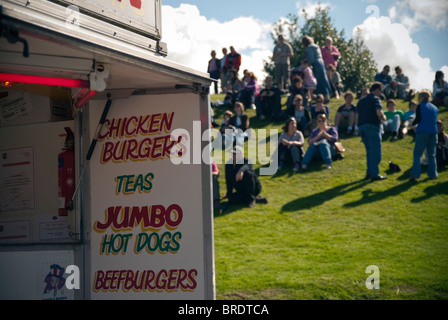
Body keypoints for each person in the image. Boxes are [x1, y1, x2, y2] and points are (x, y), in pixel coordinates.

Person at [357, 81, 387, 181]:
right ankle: (375, 174)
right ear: (377, 90)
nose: (381, 93)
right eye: (381, 90)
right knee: (376, 153)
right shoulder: (376, 99)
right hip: (373, 126)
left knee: (369, 152)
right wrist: (384, 117)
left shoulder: (361, 101)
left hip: (362, 127)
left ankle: (369, 173)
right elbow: (379, 112)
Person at [410, 90, 439, 181]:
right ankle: (433, 174)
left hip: (422, 132)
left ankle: (415, 174)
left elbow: (418, 119)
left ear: (422, 97)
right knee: (432, 155)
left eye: (419, 97)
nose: (418, 99)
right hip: (433, 132)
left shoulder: (420, 106)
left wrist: (411, 125)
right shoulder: (435, 108)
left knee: (417, 154)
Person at [301, 36, 332, 102]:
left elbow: (311, 58)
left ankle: (322, 96)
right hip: (321, 62)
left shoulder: (309, 48)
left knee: (318, 80)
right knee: (324, 79)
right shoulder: (316, 46)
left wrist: (307, 64)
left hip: (315, 64)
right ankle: (327, 95)